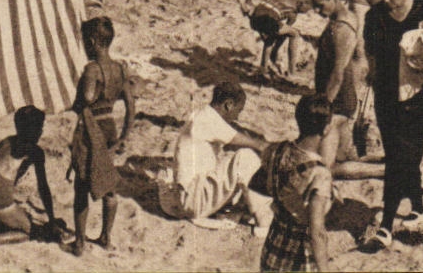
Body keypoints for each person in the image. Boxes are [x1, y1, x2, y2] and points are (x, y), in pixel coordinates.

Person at [360, 0, 423, 252]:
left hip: (418, 94)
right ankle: (417, 205)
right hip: (386, 92)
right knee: (398, 151)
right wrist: (372, 69)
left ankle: (385, 226)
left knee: (403, 154)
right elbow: (369, 47)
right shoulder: (375, 15)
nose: (385, 0)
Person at [157, 80, 272, 233]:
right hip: (192, 202)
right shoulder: (209, 121)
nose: (237, 117)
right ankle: (265, 221)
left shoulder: (202, 114)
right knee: (245, 158)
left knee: (233, 158)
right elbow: (256, 145)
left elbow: (237, 138)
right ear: (228, 105)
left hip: (186, 197)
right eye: (238, 111)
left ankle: (254, 205)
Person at [68, 16, 135, 255]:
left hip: (91, 129)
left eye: (86, 43)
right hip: (110, 129)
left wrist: (75, 103)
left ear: (93, 42)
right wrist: (124, 137)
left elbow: (86, 98)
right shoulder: (119, 69)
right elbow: (130, 106)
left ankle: (78, 243)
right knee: (109, 186)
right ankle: (106, 237)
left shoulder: (92, 69)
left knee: (81, 186)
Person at [258, 95, 337, 272]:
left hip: (274, 244)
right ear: (326, 129)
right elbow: (317, 233)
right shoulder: (320, 173)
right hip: (299, 254)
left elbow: (258, 184)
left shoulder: (276, 150)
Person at [0, 105, 59, 247]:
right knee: (28, 233)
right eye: (39, 128)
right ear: (34, 130)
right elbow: (43, 187)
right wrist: (52, 219)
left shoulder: (6, 141)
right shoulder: (35, 151)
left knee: (11, 219)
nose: (41, 132)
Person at [307, 0, 365, 167]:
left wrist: (325, 106)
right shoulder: (340, 19)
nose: (317, 11)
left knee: (326, 166)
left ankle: (380, 173)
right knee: (343, 158)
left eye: (320, 5)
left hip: (337, 100)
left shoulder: (342, 28)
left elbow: (338, 73)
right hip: (339, 97)